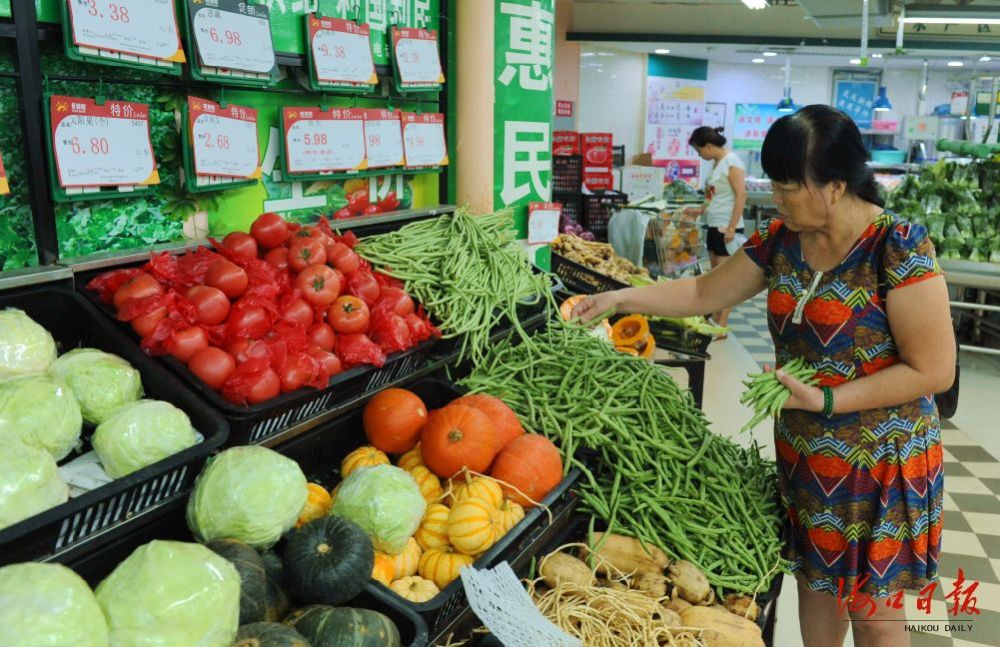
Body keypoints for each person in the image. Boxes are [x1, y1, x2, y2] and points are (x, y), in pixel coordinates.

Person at [573, 105, 953, 647]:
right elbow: (705, 293)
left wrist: (827, 400)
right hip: (807, 456)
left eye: (787, 185)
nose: (775, 197)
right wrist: (620, 294)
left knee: (873, 614)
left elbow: (933, 370)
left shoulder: (897, 247)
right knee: (815, 590)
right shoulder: (782, 239)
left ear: (834, 187)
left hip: (882, 463)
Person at [683, 126, 748, 332]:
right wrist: (699, 210)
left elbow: (741, 195)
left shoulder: (732, 162)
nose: (699, 155)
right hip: (714, 224)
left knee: (726, 278)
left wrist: (731, 228)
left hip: (725, 227)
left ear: (709, 146)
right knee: (716, 275)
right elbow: (713, 195)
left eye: (699, 150)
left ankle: (722, 323)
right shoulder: (717, 164)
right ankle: (715, 317)